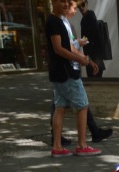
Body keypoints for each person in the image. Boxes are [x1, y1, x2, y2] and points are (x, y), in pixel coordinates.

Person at [46, 0, 99, 156]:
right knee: (82, 105)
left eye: (66, 1)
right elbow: (59, 49)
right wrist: (80, 60)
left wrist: (86, 60)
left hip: (59, 72)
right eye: (61, 1)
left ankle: (57, 147)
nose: (64, 4)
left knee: (60, 107)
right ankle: (82, 145)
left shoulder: (57, 21)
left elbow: (68, 46)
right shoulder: (54, 22)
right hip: (66, 72)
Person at [72, 0, 113, 142]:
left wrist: (90, 59)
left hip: (93, 58)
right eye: (78, 7)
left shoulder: (89, 17)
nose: (80, 9)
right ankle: (90, 135)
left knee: (80, 100)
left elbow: (94, 39)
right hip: (90, 59)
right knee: (71, 103)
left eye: (82, 5)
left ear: (87, 4)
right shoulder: (85, 19)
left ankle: (92, 133)